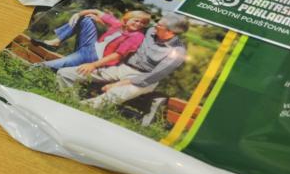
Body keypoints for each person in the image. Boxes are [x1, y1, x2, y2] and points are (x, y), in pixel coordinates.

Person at [56, 16, 189, 108]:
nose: (154, 26)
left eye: (159, 25)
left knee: (115, 93)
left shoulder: (177, 52)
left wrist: (118, 84)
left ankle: (82, 108)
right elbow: (125, 25)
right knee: (66, 73)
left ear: (170, 32)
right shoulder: (150, 31)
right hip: (122, 68)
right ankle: (69, 101)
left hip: (143, 79)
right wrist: (99, 18)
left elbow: (153, 76)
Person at [32, 9, 150, 70]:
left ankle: (34, 67)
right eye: (136, 20)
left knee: (46, 65)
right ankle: (56, 41)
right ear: (128, 19)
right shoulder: (119, 25)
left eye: (143, 23)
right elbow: (97, 11)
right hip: (90, 45)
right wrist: (79, 14)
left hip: (94, 57)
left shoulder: (137, 36)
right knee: (86, 19)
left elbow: (117, 56)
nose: (139, 24)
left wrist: (94, 65)